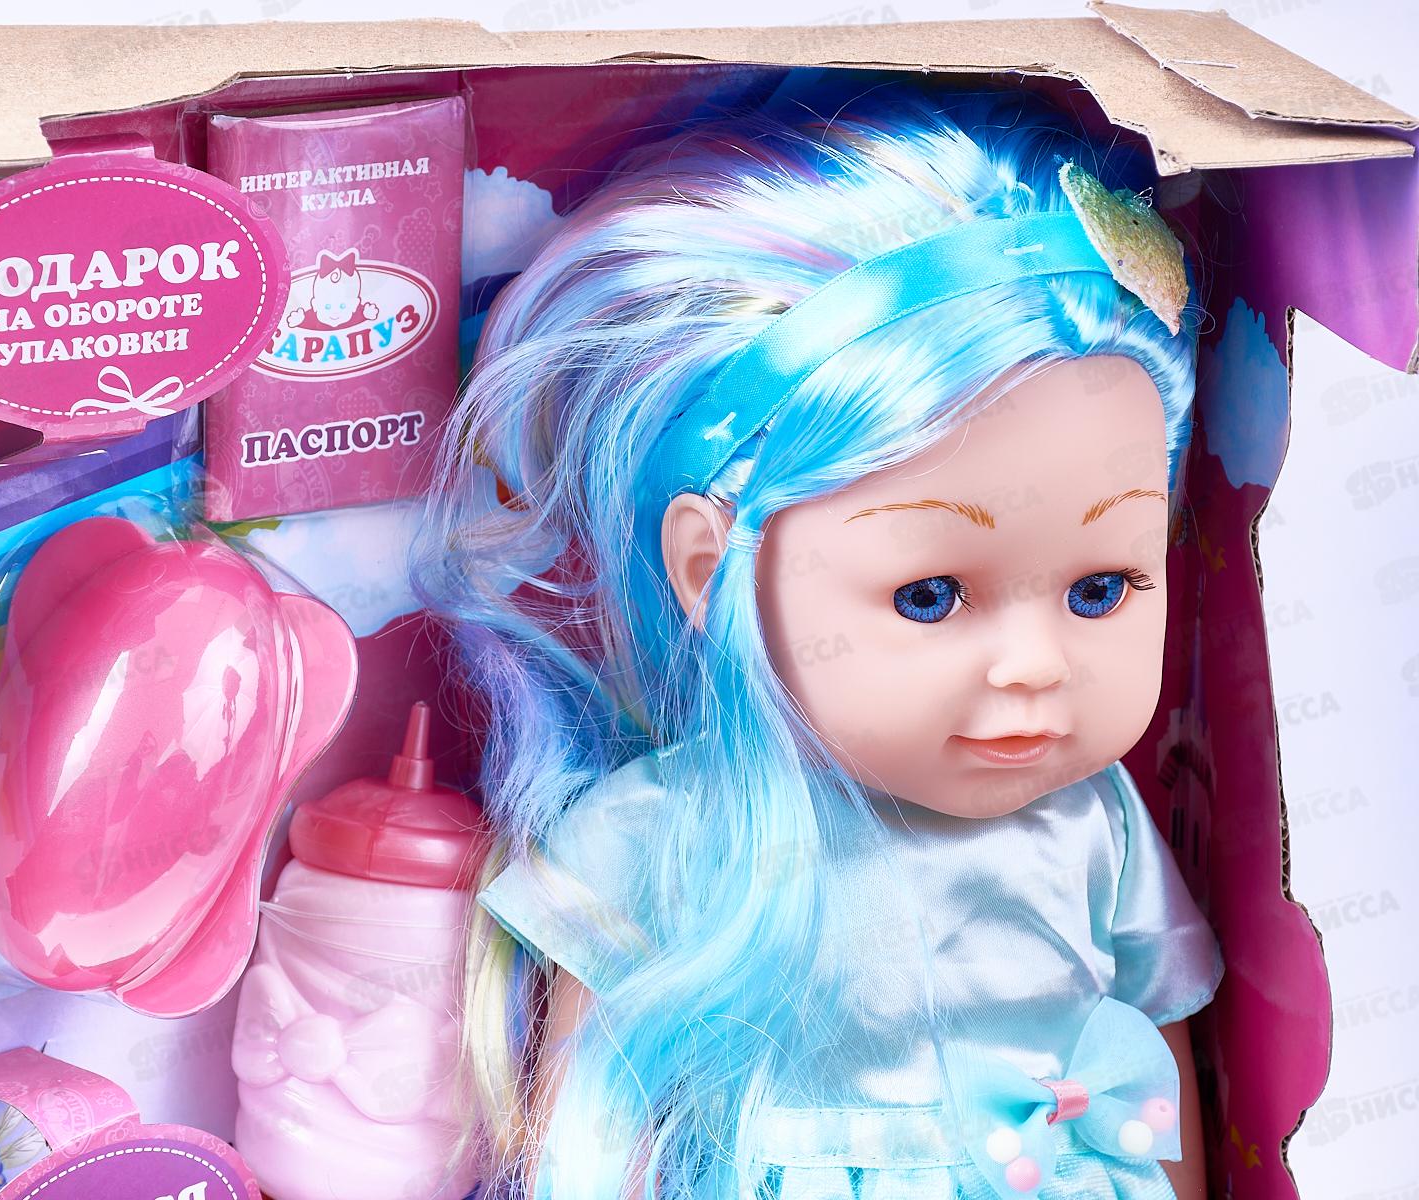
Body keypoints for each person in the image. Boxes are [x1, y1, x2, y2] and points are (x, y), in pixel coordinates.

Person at [412, 85, 1223, 1200]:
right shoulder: (666, 828)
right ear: (713, 570)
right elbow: (591, 1124)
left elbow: (1150, 1065)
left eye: (1100, 590)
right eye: (929, 596)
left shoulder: (1095, 826)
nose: (1035, 665)